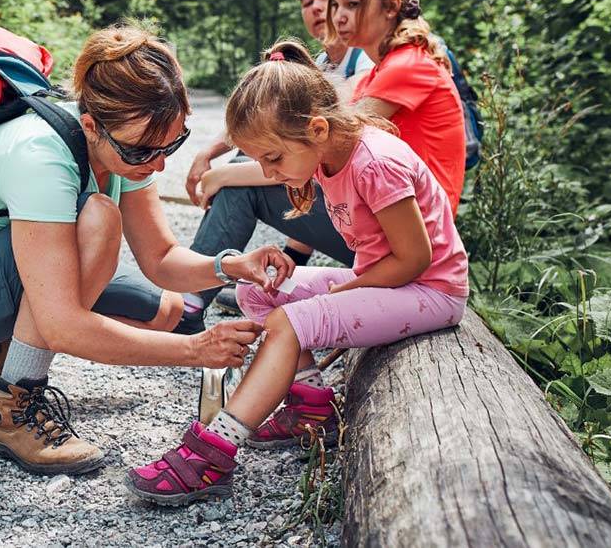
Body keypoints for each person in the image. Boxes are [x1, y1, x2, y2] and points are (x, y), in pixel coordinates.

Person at [0, 23, 293, 476]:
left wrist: (233, 266)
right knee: (98, 219)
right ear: (92, 125)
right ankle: (11, 410)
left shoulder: (127, 142)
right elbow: (63, 326)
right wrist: (196, 350)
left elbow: (160, 259)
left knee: (166, 312)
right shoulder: (41, 154)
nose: (157, 164)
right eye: (143, 152)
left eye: (171, 145)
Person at [125, 39, 468, 505]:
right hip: (393, 280)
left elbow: (414, 259)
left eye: (273, 158)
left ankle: (214, 450)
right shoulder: (327, 155)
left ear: (319, 128)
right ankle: (311, 409)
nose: (267, 170)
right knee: (260, 290)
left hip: (430, 291)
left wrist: (340, 292)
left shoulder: (375, 163)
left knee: (292, 319)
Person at [180, 0, 371, 330]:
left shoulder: (364, 63)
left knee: (239, 186)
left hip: (383, 230)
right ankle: (200, 291)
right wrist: (209, 152)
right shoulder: (323, 63)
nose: (317, 8)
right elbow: (270, 129)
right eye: (307, 1)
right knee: (251, 154)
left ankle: (186, 305)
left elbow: (318, 159)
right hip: (352, 214)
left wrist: (222, 177)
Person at [329, 0, 466, 212]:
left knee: (247, 191)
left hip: (422, 227)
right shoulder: (379, 71)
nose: (339, 17)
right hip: (396, 209)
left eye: (353, 4)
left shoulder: (408, 65)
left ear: (391, 7)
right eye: (335, 5)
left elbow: (334, 141)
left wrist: (228, 175)